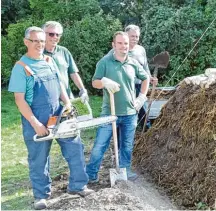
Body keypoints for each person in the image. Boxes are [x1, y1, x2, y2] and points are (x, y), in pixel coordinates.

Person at [8, 26, 93, 210]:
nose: (39, 44)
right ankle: (41, 195)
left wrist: (68, 103)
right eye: (35, 41)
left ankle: (78, 185)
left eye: (41, 40)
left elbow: (60, 85)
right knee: (39, 158)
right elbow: (19, 100)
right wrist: (35, 123)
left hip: (59, 113)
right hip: (36, 117)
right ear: (26, 42)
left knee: (75, 148)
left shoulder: (48, 60)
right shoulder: (21, 67)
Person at [86, 31, 150, 182]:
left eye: (126, 43)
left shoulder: (133, 62)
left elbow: (145, 77)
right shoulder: (105, 62)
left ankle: (124, 171)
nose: (123, 46)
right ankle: (91, 175)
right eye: (120, 43)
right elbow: (94, 82)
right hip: (110, 113)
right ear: (113, 45)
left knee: (127, 147)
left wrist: (141, 97)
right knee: (99, 145)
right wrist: (104, 82)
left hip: (129, 113)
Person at [42, 21, 88, 102]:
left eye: (58, 35)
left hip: (67, 97)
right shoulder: (37, 53)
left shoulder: (64, 51)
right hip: (46, 100)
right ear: (43, 34)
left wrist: (82, 90)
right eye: (51, 34)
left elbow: (73, 73)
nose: (55, 37)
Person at [124, 24, 158, 129]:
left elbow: (145, 67)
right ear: (126, 35)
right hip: (126, 86)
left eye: (137, 36)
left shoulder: (141, 50)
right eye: (132, 36)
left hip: (140, 85)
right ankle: (125, 134)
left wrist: (150, 77)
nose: (135, 39)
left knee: (143, 110)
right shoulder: (122, 50)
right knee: (127, 112)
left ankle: (146, 134)